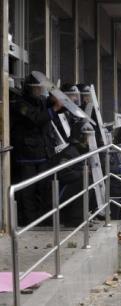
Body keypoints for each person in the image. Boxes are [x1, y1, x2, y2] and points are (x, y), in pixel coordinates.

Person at [11, 74, 64, 226]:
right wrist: (54, 107)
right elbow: (37, 118)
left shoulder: (40, 101)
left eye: (41, 87)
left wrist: (57, 102)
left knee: (43, 188)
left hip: (42, 154)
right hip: (27, 156)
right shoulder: (20, 104)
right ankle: (30, 221)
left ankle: (42, 219)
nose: (40, 90)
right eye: (37, 88)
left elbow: (53, 109)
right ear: (30, 88)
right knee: (28, 190)